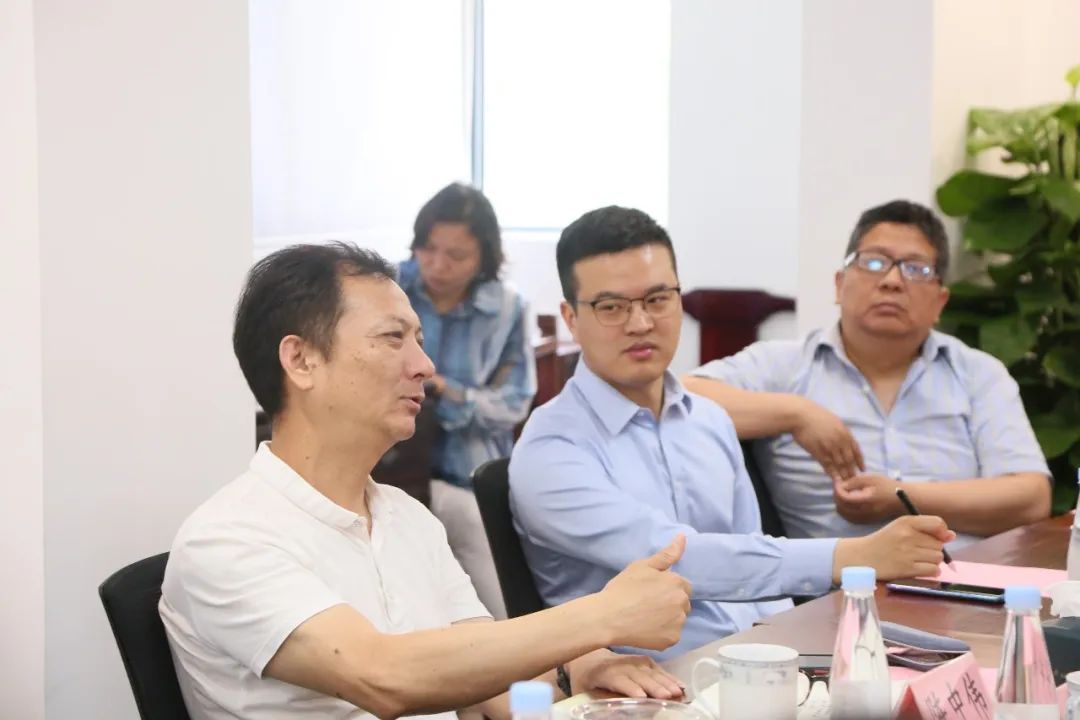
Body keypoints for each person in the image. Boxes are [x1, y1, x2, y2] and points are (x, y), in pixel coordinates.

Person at [159, 243, 692, 720]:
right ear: (301, 360)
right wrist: (602, 617)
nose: (424, 365)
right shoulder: (227, 540)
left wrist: (577, 669)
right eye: (393, 338)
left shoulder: (408, 518)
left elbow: (495, 690)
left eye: (418, 339)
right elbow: (383, 677)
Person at [509, 206, 953, 661]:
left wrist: (797, 659)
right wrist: (852, 557)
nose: (640, 323)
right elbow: (678, 560)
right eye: (612, 307)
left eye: (657, 299)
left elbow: (755, 562)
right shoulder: (551, 449)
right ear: (571, 317)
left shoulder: (709, 420)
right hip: (647, 682)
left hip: (758, 663)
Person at [684, 200, 1051, 547]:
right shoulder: (784, 366)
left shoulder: (978, 374)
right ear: (839, 284)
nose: (892, 281)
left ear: (940, 301)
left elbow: (1032, 497)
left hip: (964, 580)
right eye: (874, 262)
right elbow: (680, 396)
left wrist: (899, 498)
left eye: (916, 269)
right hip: (835, 585)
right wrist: (795, 413)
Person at [397, 183, 536, 619]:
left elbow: (513, 404)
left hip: (466, 474)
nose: (438, 265)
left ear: (484, 258)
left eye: (456, 255)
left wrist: (444, 390)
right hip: (393, 470)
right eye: (428, 249)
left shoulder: (507, 309)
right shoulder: (389, 288)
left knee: (495, 605)